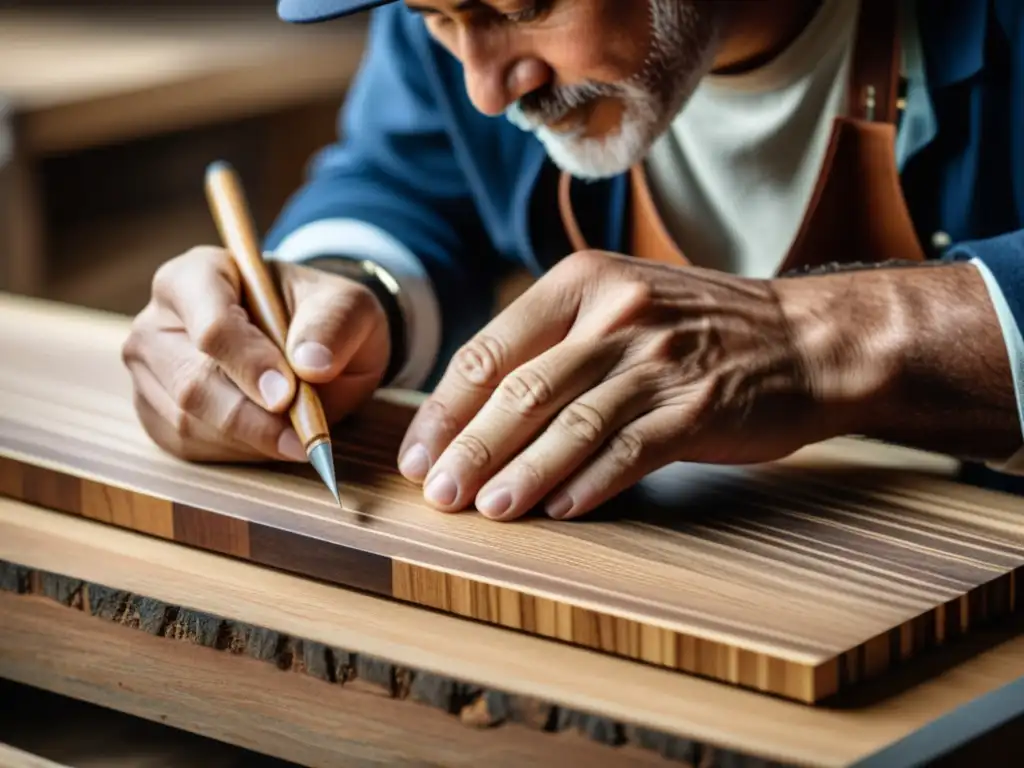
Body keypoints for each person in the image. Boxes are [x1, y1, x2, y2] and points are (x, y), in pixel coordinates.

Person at [122, 0, 1024, 523]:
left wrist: (821, 337)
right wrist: (348, 288)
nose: (484, 87)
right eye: (436, 17)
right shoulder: (464, 30)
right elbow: (398, 176)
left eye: (523, 7)